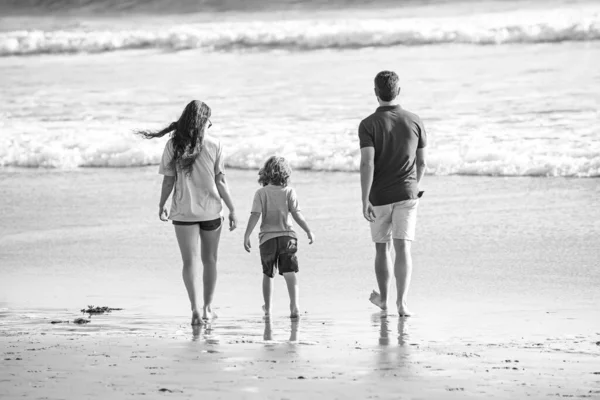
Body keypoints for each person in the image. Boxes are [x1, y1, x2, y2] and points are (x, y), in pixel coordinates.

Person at [136, 100, 237, 325]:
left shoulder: (174, 145)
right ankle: (208, 308)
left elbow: (168, 180)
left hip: (183, 212)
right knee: (210, 260)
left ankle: (194, 309)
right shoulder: (215, 145)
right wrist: (232, 208)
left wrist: (162, 204)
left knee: (189, 262)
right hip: (211, 211)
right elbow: (221, 181)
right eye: (209, 120)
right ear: (204, 121)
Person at [358, 71, 427, 316]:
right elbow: (421, 163)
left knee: (381, 248)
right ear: (399, 91)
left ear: (375, 92)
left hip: (379, 196)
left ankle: (385, 300)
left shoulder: (368, 124)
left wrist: (364, 197)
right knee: (403, 248)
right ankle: (402, 303)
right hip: (408, 193)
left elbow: (368, 163)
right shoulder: (415, 120)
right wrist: (413, 186)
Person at [243, 156, 314, 319]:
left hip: (267, 239)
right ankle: (294, 306)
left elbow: (255, 215)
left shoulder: (261, 193)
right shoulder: (289, 192)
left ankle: (268, 308)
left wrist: (247, 234)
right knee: (290, 272)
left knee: (268, 273)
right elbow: (297, 215)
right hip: (287, 237)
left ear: (266, 173)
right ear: (286, 175)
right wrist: (308, 230)